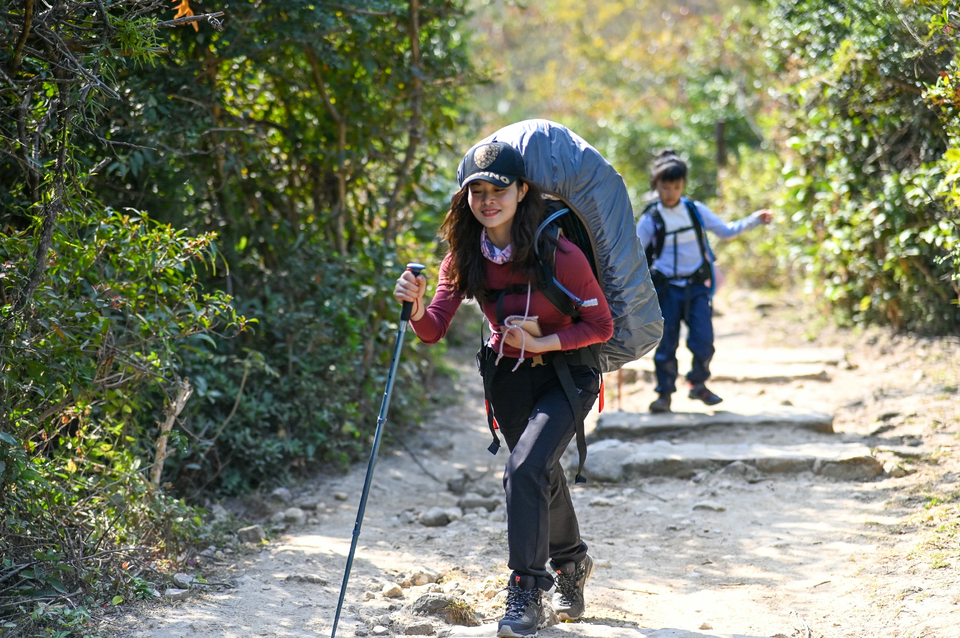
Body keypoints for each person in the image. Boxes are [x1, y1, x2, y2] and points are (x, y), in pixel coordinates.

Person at [394, 141, 613, 637]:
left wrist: (545, 339)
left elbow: (601, 324)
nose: (488, 199)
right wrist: (414, 307)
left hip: (567, 375)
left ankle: (527, 590)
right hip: (508, 378)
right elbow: (433, 329)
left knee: (525, 468)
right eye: (477, 190)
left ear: (522, 191)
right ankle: (573, 563)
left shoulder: (560, 252)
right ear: (465, 196)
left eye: (499, 189)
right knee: (539, 471)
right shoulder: (464, 256)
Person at [636, 149, 773, 413]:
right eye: (665, 187)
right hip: (666, 290)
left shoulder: (694, 210)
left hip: (697, 286)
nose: (671, 193)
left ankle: (697, 384)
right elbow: (636, 255)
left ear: (683, 185)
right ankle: (664, 394)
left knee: (704, 339)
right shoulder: (650, 219)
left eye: (676, 187)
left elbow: (726, 230)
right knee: (666, 343)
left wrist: (755, 220)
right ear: (656, 185)